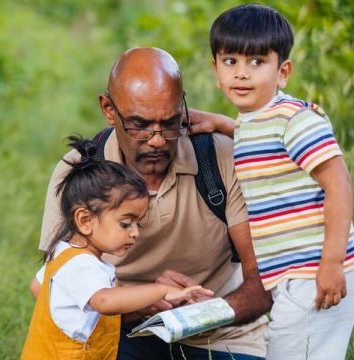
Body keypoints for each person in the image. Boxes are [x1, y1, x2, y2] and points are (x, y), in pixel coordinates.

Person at [38, 47, 271, 360]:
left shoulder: (221, 158)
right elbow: (55, 294)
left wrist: (204, 312)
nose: (158, 139)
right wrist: (142, 306)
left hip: (223, 336)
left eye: (170, 122)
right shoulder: (79, 173)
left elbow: (263, 283)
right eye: (140, 124)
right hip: (117, 332)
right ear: (108, 109)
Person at [203, 4, 354, 359]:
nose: (242, 73)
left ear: (282, 72)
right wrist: (218, 122)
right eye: (230, 62)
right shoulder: (252, 121)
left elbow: (338, 183)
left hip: (314, 273)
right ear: (215, 69)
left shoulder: (295, 120)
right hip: (292, 277)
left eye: (256, 62)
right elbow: (252, 135)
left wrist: (331, 263)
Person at [21, 136, 213, 359]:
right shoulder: (84, 264)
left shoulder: (63, 253)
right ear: (85, 220)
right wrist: (162, 291)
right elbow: (104, 301)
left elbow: (38, 287)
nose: (135, 232)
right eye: (125, 223)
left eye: (137, 223)